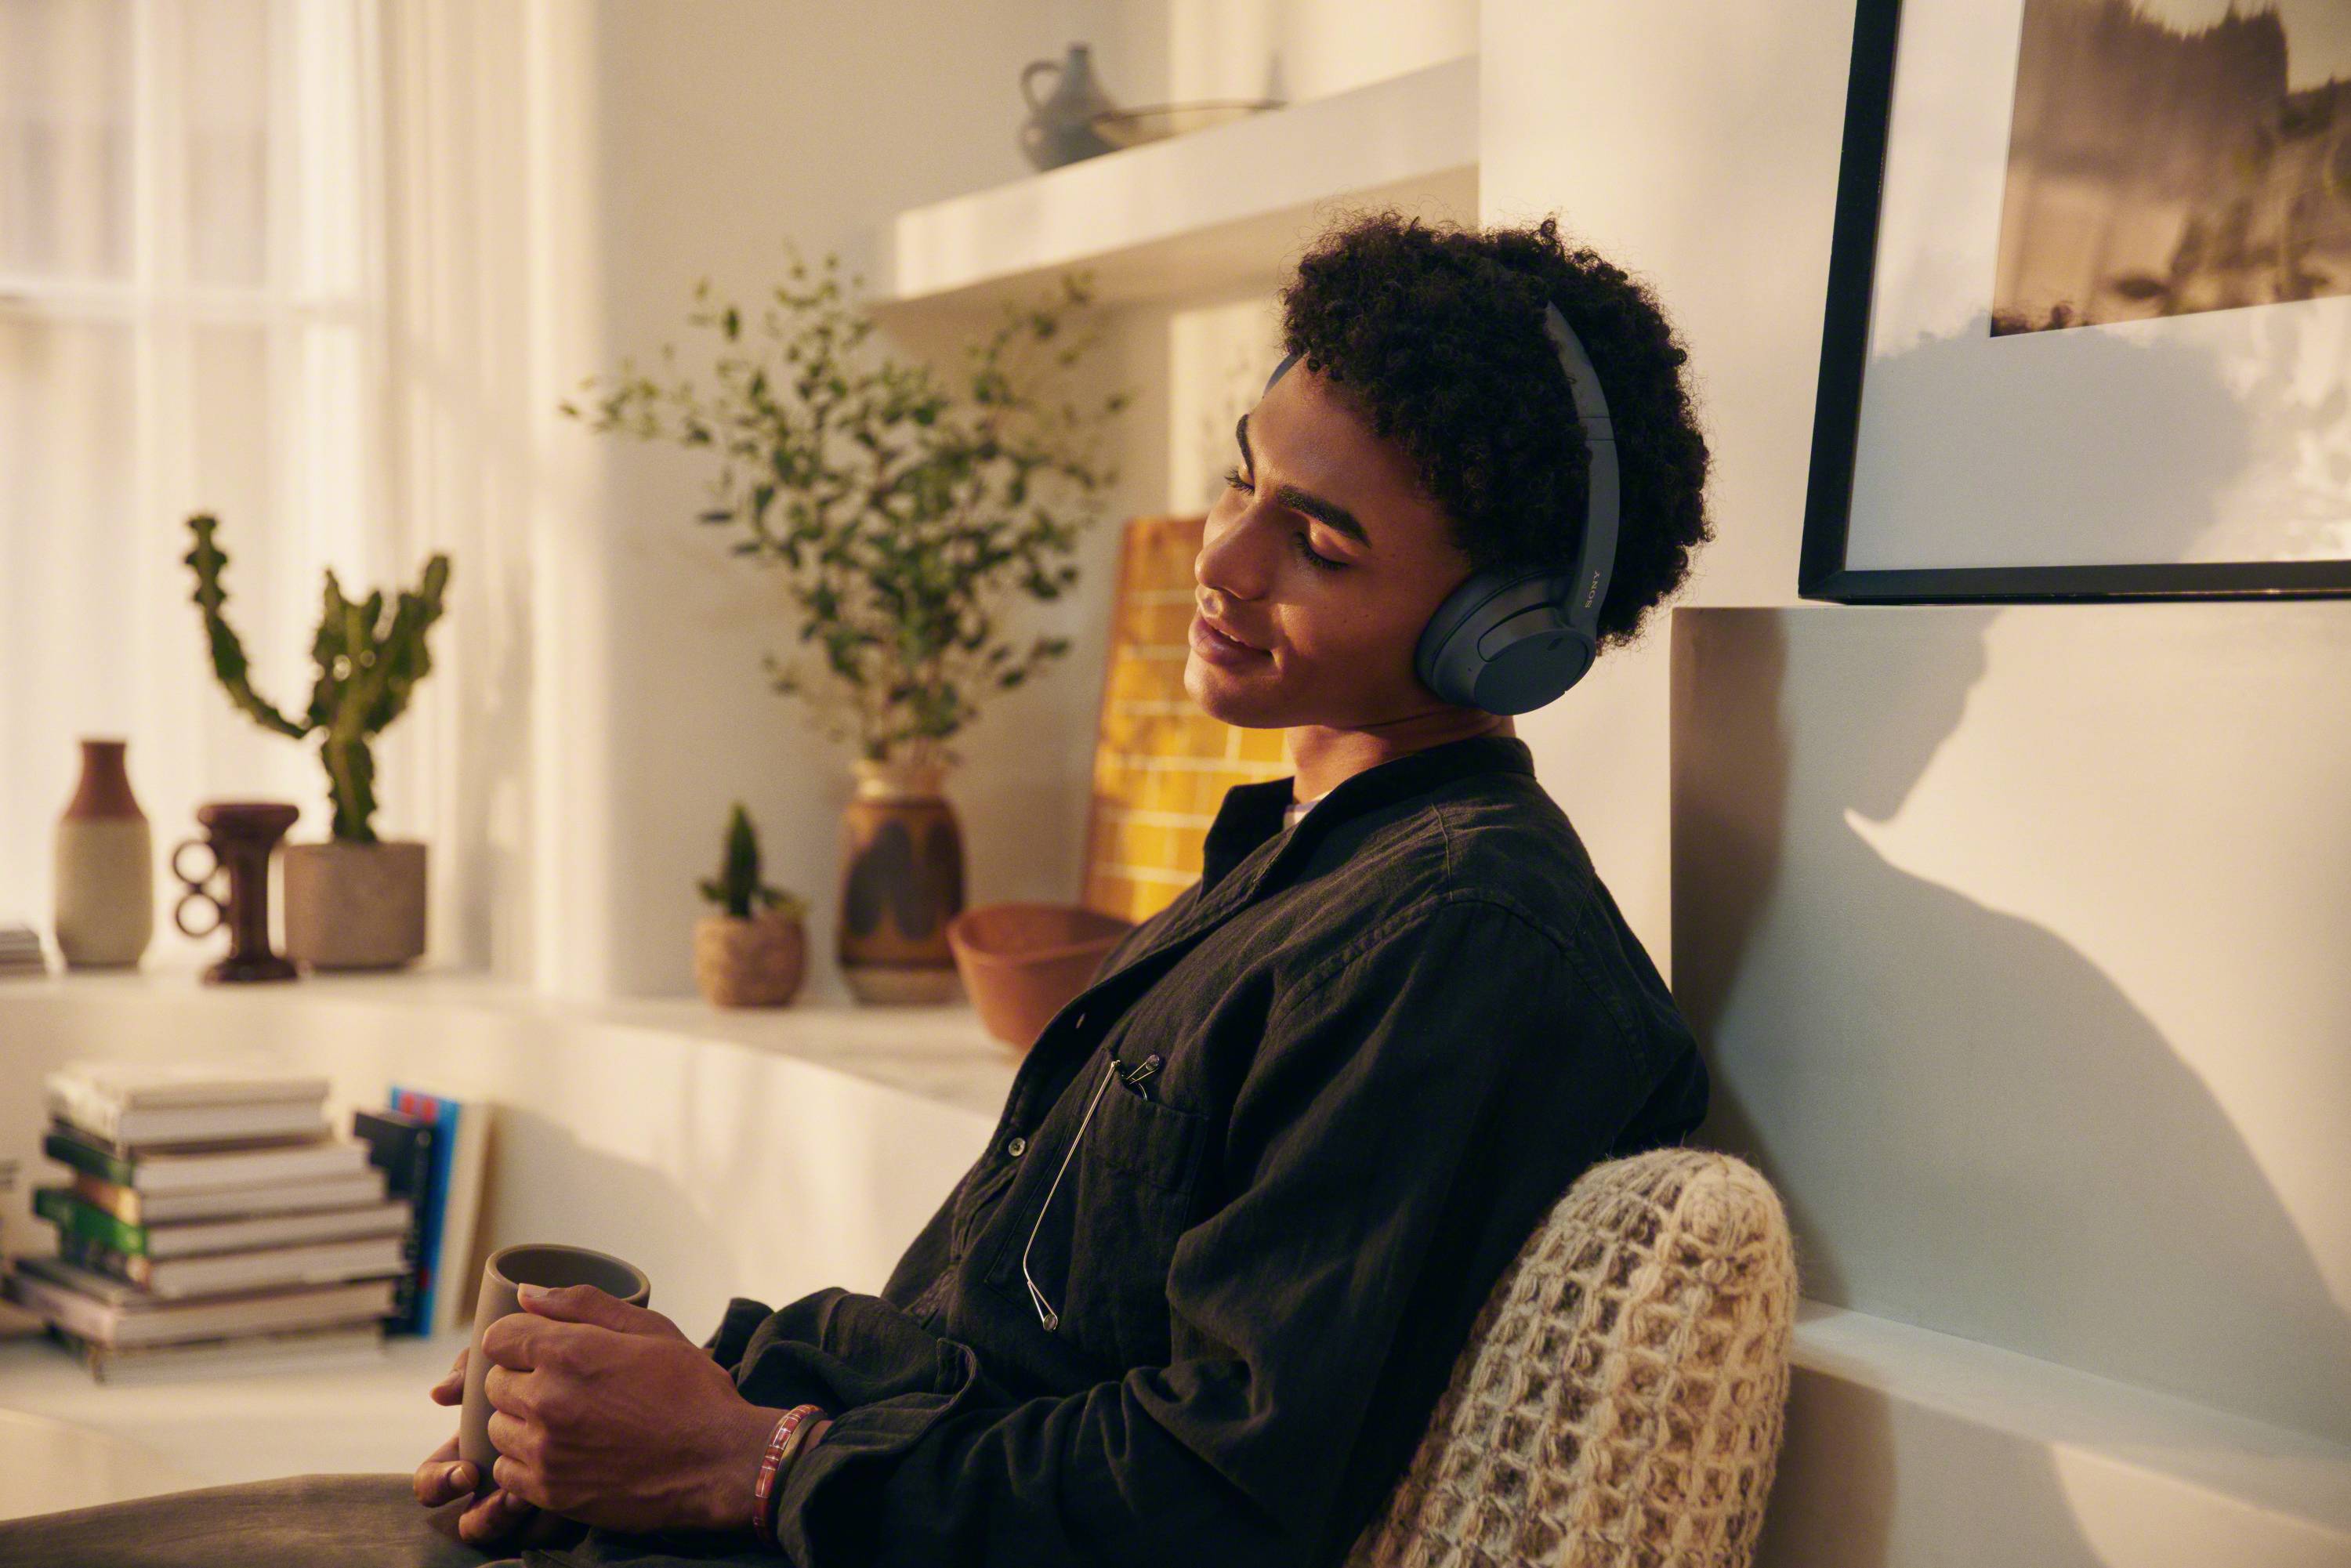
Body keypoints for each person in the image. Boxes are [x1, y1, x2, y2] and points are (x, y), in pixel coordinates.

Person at [0, 207, 1717, 1568]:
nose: (1225, 553)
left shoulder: (1460, 947)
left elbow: (1209, 1497)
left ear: (1504, 633)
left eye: (1319, 542)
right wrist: (673, 1389)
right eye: (1241, 475)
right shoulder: (1302, 862)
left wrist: (739, 1461)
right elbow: (995, 1350)